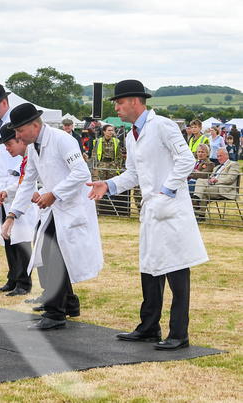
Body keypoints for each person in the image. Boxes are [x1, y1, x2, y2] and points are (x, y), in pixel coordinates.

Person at [87, 79, 208, 350]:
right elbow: (133, 173)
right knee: (150, 267)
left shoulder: (163, 125)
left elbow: (186, 160)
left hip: (171, 207)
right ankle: (149, 326)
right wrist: (109, 185)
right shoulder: (130, 135)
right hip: (151, 210)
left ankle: (179, 333)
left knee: (177, 270)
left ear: (135, 102)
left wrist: (166, 191)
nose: (116, 108)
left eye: (119, 103)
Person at [0, 103, 103, 330]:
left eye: (19, 131)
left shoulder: (62, 140)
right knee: (47, 251)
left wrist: (54, 194)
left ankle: (55, 313)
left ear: (35, 126)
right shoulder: (34, 146)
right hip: (56, 208)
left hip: (72, 206)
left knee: (54, 254)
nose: (17, 136)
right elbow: (27, 182)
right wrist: (12, 215)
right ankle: (70, 303)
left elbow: (81, 173)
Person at [0, 84, 36, 296]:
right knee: (6, 235)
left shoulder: (18, 122)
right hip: (1, 183)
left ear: (4, 102)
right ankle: (13, 277)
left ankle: (24, 280)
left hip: (18, 180)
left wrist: (18, 180)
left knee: (20, 232)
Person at [192, 147, 240, 221]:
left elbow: (230, 179)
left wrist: (216, 180)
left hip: (225, 189)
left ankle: (198, 209)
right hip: (214, 187)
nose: (219, 158)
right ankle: (196, 200)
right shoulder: (217, 167)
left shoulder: (233, 164)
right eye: (217, 156)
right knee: (200, 181)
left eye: (221, 156)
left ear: (226, 155)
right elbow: (211, 178)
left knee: (203, 191)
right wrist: (208, 180)